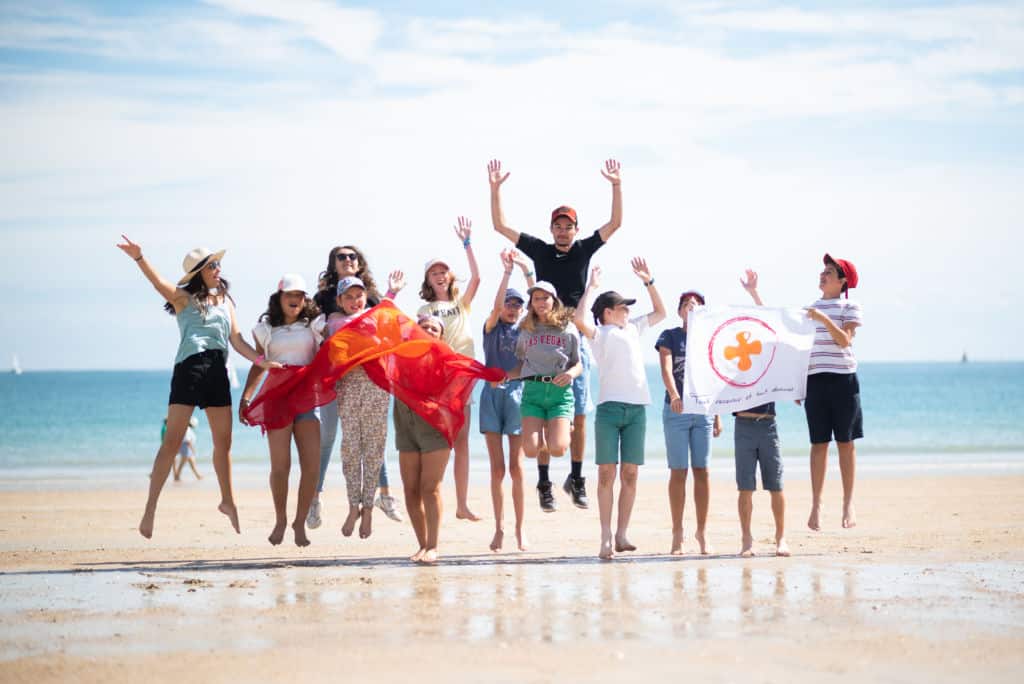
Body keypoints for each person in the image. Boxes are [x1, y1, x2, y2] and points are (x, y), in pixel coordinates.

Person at [117, 236, 278, 539]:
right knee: (171, 442)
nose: (218, 269)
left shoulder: (226, 302)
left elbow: (237, 340)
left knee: (224, 443)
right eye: (212, 265)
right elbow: (157, 283)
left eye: (218, 264)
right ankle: (150, 508)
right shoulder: (183, 299)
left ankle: (227, 501)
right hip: (190, 368)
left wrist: (261, 360)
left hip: (218, 369)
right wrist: (140, 257)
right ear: (200, 272)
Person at [488, 158, 622, 511]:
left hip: (571, 336)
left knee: (578, 415)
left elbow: (615, 224)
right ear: (551, 229)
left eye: (569, 226)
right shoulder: (541, 250)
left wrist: (615, 185)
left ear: (576, 229)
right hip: (538, 335)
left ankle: (576, 477)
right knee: (541, 412)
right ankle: (545, 482)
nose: (563, 231)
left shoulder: (583, 249)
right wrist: (496, 188)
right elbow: (500, 225)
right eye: (558, 226)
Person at [308, 245, 404, 529]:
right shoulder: (323, 299)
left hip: (370, 381)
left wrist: (392, 292)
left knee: (373, 438)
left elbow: (388, 323)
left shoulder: (371, 298)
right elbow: (314, 333)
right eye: (342, 257)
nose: (348, 260)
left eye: (353, 256)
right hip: (335, 380)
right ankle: (315, 499)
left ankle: (383, 495)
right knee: (328, 436)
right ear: (333, 263)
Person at [575, 260, 665, 559]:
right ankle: (605, 537)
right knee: (605, 473)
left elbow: (661, 312)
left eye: (628, 308)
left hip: (638, 409)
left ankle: (622, 534)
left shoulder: (633, 328)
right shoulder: (600, 334)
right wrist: (591, 288)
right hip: (609, 410)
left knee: (630, 473)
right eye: (622, 307)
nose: (627, 311)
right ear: (607, 313)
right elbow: (578, 318)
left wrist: (649, 281)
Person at [240, 274, 323, 547]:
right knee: (280, 467)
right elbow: (257, 363)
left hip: (306, 397)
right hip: (277, 397)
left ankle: (300, 522)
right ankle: (280, 520)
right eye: (289, 295)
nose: (295, 299)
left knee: (311, 465)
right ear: (279, 298)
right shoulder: (266, 330)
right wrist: (247, 396)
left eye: (299, 295)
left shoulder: (313, 325)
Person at [417, 216, 481, 522]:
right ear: (428, 280)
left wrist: (467, 243)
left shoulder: (461, 302)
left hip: (464, 376)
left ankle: (463, 503)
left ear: (450, 276)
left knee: (463, 440)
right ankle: (433, 493)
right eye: (434, 272)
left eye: (443, 271)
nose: (440, 275)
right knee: (443, 440)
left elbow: (477, 279)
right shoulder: (425, 311)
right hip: (441, 379)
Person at [322, 275, 393, 539]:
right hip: (348, 385)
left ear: (366, 296)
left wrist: (391, 292)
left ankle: (370, 509)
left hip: (376, 386)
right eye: (348, 297)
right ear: (339, 300)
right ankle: (354, 506)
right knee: (351, 448)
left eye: (358, 296)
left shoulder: (376, 316)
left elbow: (391, 317)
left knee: (374, 449)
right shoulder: (333, 322)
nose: (354, 301)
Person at [501, 281, 582, 508]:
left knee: (557, 449)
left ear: (554, 301)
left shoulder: (567, 328)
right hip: (533, 393)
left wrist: (571, 375)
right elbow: (521, 364)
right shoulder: (526, 329)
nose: (541, 302)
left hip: (559, 393)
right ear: (531, 303)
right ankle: (550, 427)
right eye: (536, 298)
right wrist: (506, 376)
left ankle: (560, 426)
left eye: (545, 298)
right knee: (529, 450)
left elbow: (579, 364)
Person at [655, 289, 722, 555]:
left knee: (702, 471)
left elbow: (716, 377)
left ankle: (702, 532)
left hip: (703, 410)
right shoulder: (670, 336)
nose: (690, 307)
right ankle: (677, 532)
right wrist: (673, 395)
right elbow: (666, 368)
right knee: (678, 471)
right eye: (685, 304)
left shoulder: (711, 340)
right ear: (679, 311)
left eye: (695, 304)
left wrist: (717, 414)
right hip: (677, 410)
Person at [803, 254, 863, 530]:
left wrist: (824, 319)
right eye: (822, 271)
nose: (823, 275)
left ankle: (848, 503)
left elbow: (844, 340)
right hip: (815, 380)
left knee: (846, 443)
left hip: (843, 380)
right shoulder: (810, 309)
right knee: (818, 444)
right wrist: (796, 382)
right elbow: (797, 348)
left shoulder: (849, 306)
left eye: (829, 272)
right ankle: (816, 504)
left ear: (842, 281)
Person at [480, 249, 534, 552]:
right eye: (508, 304)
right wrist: (506, 273)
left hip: (517, 396)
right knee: (497, 469)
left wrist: (526, 272)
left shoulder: (526, 330)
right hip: (490, 396)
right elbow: (496, 305)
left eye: (517, 305)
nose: (512, 309)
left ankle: (520, 530)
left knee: (517, 468)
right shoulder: (491, 327)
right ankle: (498, 528)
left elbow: (540, 305)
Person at [735, 269, 790, 557]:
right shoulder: (730, 355)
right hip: (743, 426)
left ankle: (781, 539)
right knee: (745, 488)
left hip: (768, 424)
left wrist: (754, 293)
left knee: (776, 485)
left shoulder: (769, 352)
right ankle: (747, 540)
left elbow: (772, 323)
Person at [397, 315, 455, 563]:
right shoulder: (399, 354)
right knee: (410, 490)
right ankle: (421, 545)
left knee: (430, 489)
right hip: (405, 426)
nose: (429, 330)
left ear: (441, 336)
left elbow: (456, 388)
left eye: (435, 328)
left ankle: (433, 545)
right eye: (424, 326)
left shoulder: (446, 358)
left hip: (433, 428)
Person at [171, 416, 202, 481]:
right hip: (185, 446)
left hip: (185, 446)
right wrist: (192, 449)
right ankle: (177, 476)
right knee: (184, 462)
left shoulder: (186, 428)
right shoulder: (187, 429)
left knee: (190, 462)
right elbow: (187, 440)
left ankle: (197, 475)